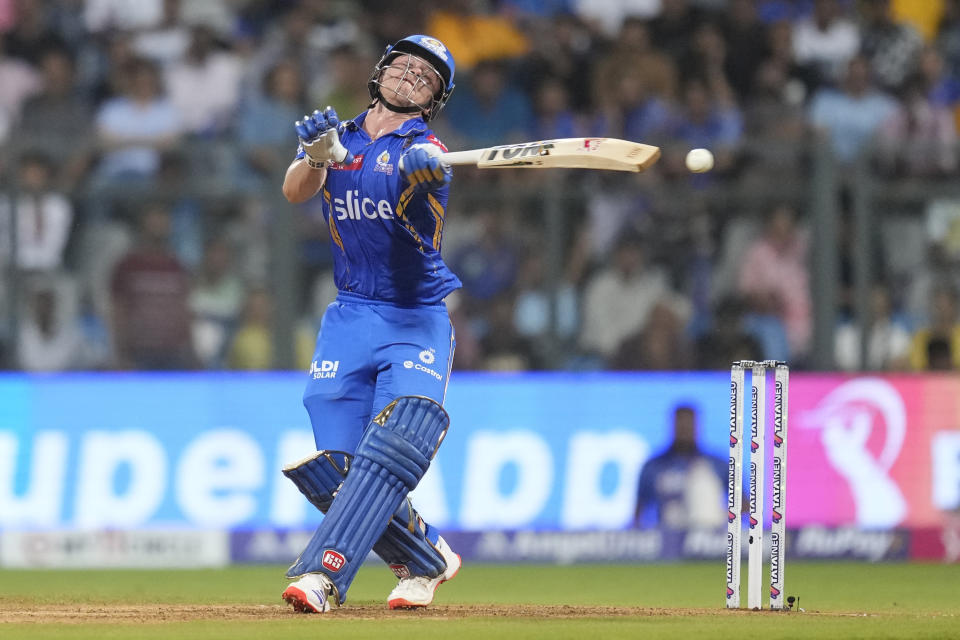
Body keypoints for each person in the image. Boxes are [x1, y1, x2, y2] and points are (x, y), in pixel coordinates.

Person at [278, 35, 461, 614]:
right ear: (380, 71)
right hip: (350, 314)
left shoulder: (428, 153)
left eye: (425, 76)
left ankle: (322, 577)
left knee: (400, 435)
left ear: (433, 99)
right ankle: (427, 558)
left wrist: (420, 180)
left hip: (414, 317)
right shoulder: (341, 139)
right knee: (338, 471)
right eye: (403, 65)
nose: (411, 76)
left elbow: (417, 229)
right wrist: (315, 155)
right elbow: (293, 192)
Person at [633, 405, 728, 529]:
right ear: (672, 425)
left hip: (709, 537)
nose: (684, 429)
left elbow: (743, 503)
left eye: (688, 424)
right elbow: (639, 511)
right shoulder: (653, 466)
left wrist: (721, 516)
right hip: (666, 538)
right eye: (680, 424)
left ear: (697, 426)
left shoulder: (717, 464)